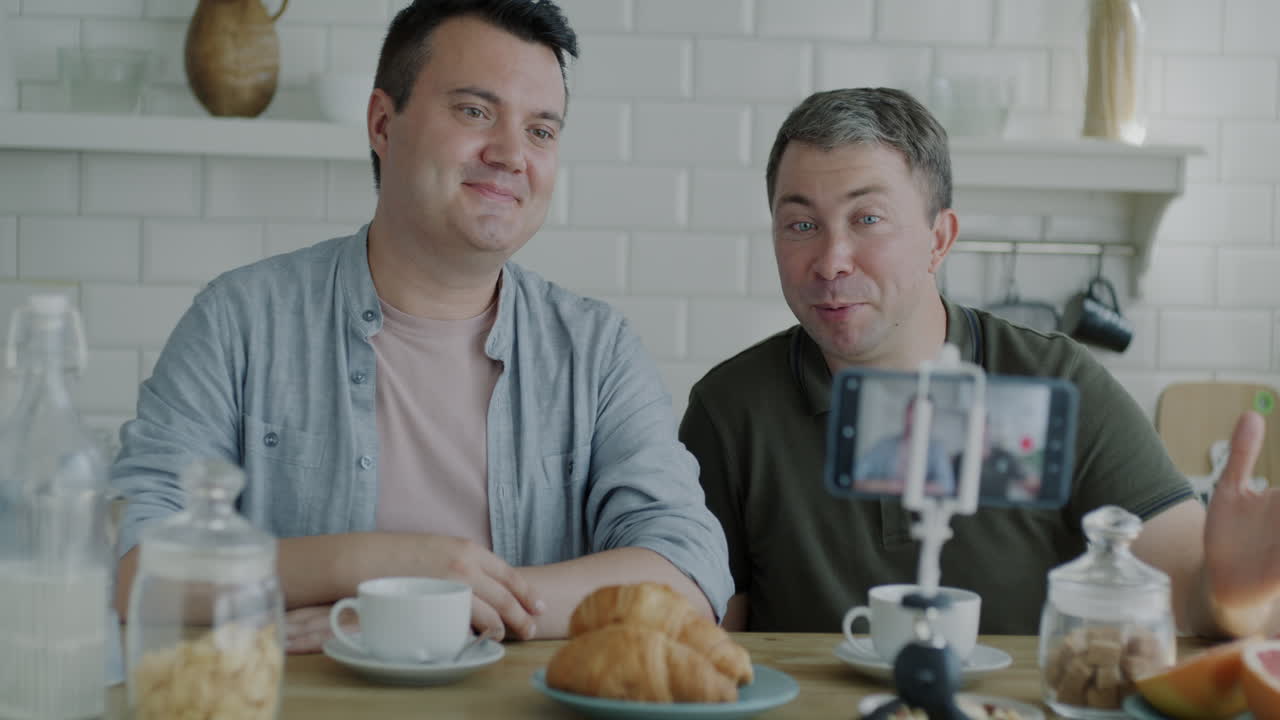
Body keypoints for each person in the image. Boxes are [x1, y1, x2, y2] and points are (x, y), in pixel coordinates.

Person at [111, 0, 731, 653]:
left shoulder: (597, 351)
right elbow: (133, 566)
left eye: (541, 131)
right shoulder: (239, 321)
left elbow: (687, 572)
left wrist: (438, 606)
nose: (512, 154)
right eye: (475, 112)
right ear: (383, 124)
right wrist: (377, 562)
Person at [680, 86, 1280, 638]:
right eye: (801, 224)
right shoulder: (730, 410)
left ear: (939, 239)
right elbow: (706, 647)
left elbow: (1190, 595)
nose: (832, 259)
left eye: (868, 219)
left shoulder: (1057, 383)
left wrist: (1233, 588)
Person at [854, 394, 955, 496]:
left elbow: (946, 487)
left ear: (931, 418)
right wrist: (891, 486)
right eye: (913, 411)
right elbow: (856, 478)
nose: (917, 418)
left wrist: (897, 487)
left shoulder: (937, 449)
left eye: (923, 414)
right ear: (906, 413)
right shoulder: (884, 445)